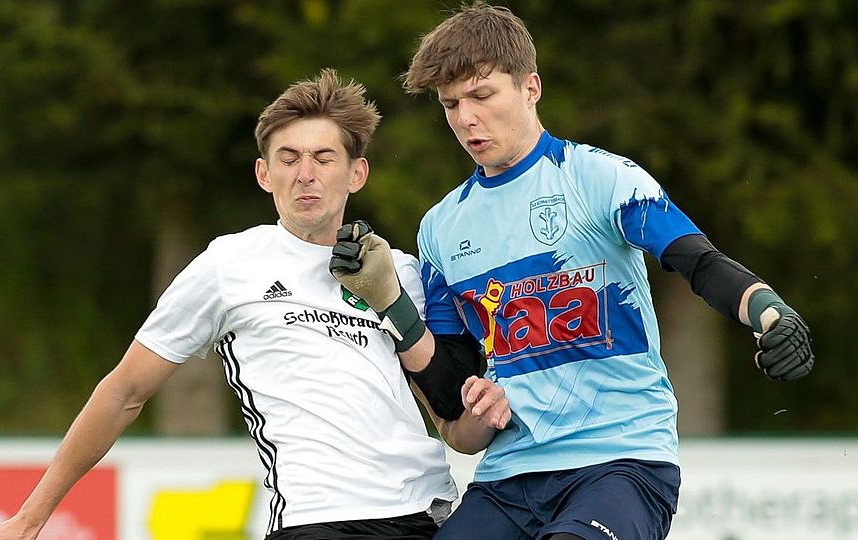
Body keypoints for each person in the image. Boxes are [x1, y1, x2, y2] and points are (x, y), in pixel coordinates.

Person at [328, 4, 815, 540]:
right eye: (451, 104)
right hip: (507, 479)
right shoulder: (441, 228)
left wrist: (772, 311)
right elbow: (458, 421)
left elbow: (697, 262)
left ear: (531, 87)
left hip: (621, 462)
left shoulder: (600, 177)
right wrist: (393, 307)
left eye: (482, 95)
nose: (466, 118)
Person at [0, 68, 510, 540]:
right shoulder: (229, 265)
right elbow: (124, 392)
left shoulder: (402, 272)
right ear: (264, 175)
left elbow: (454, 423)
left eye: (324, 157)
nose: (306, 173)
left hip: (430, 514)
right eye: (289, 158)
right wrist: (31, 516)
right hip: (319, 518)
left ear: (356, 174)